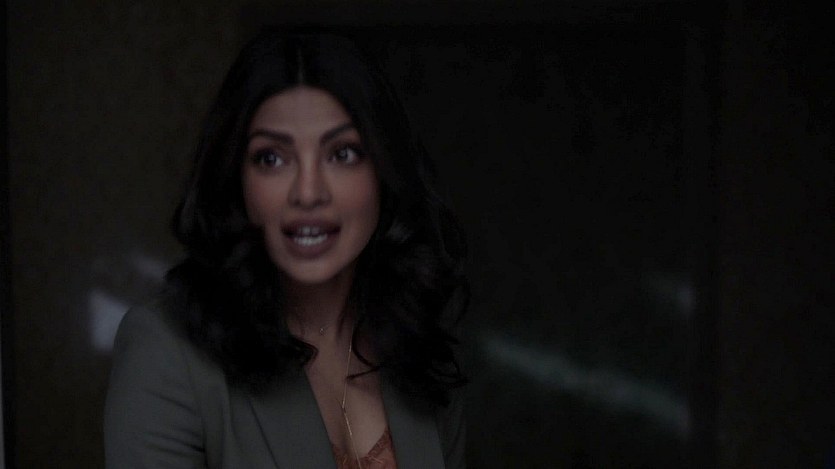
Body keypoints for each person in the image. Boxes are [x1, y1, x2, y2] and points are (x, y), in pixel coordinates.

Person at [104, 31, 468, 469]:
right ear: (236, 179)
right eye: (272, 158)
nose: (308, 193)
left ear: (385, 171)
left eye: (342, 154)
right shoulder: (167, 353)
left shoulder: (419, 347)